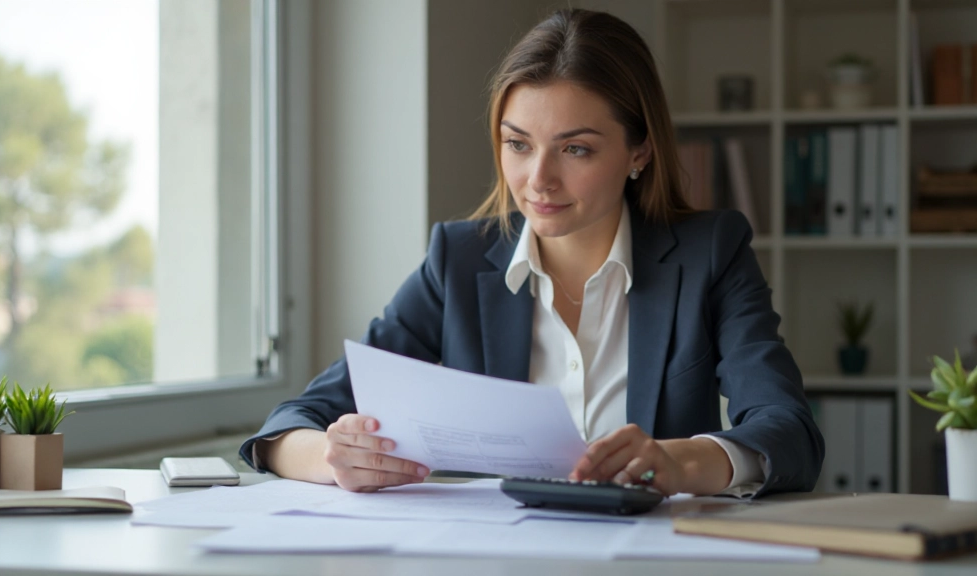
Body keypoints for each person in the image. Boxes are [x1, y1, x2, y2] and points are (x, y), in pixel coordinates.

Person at [239, 8, 824, 497]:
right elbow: (292, 422)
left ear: (639, 150)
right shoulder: (459, 260)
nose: (538, 180)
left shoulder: (711, 253)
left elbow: (790, 433)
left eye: (575, 149)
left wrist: (680, 463)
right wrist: (329, 457)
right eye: (518, 144)